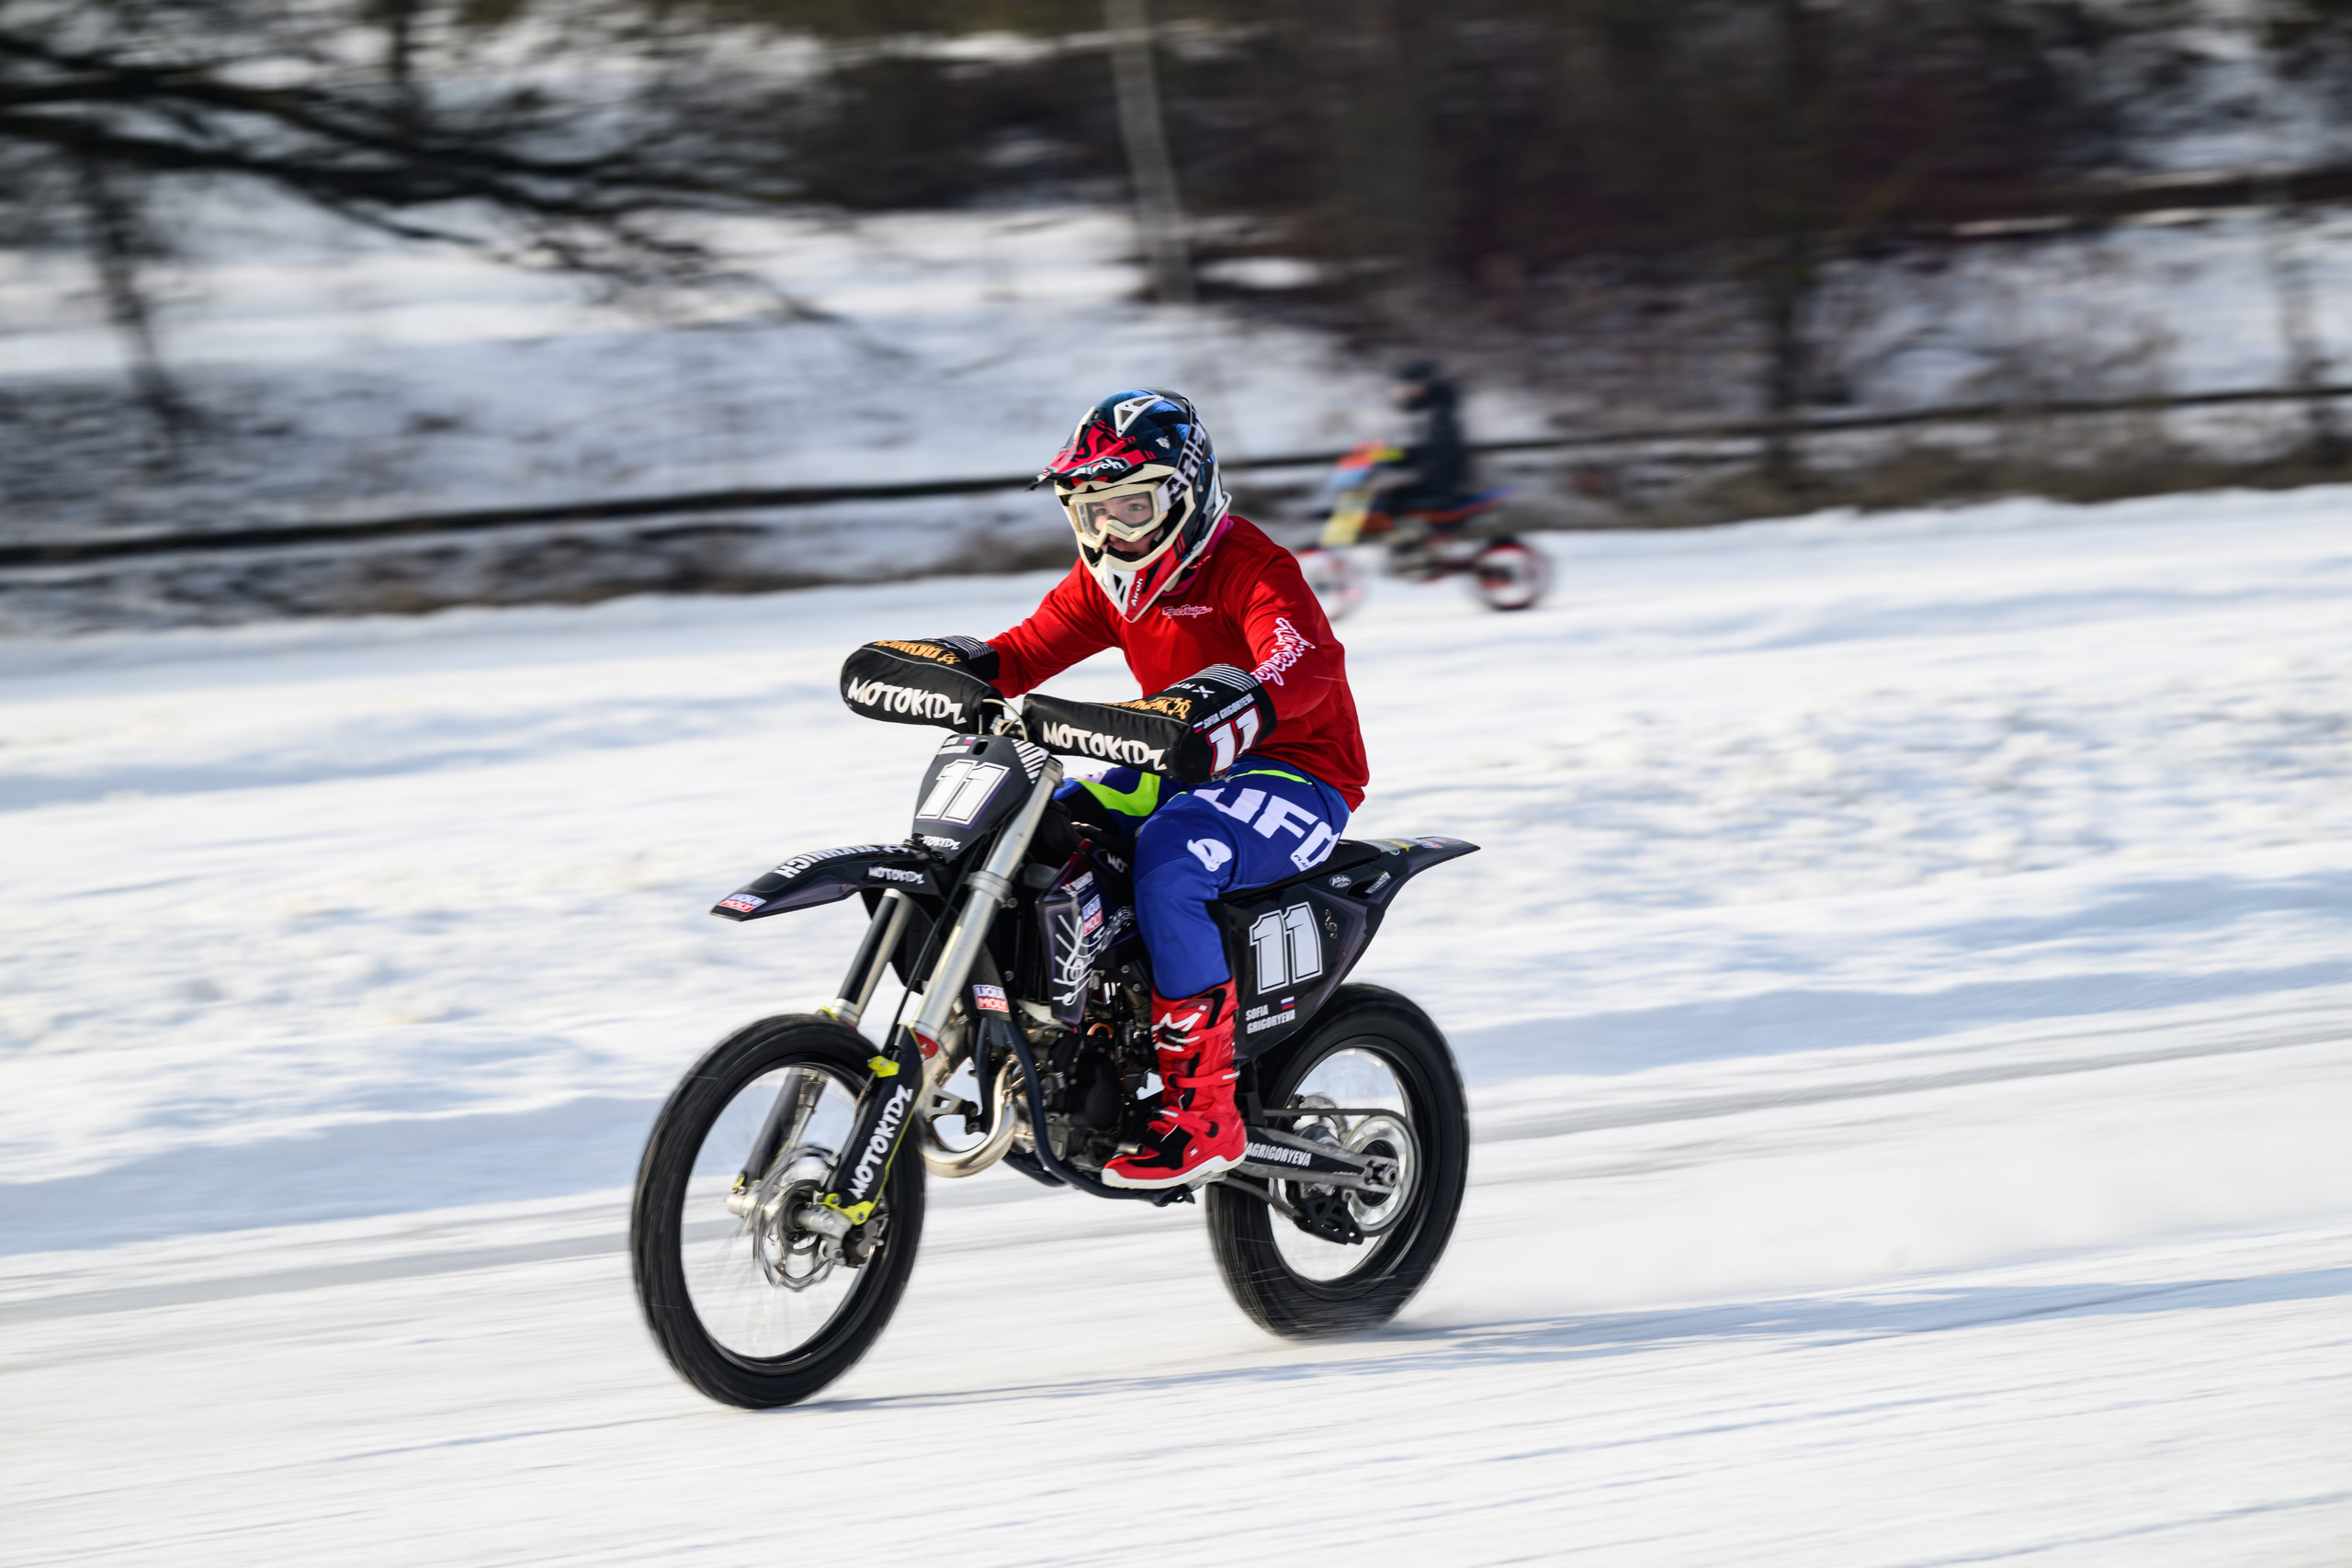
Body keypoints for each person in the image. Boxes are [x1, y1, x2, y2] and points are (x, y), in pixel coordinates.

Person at [839, 389, 1368, 1189]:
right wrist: (956, 665)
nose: (1111, 532)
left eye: (1131, 505)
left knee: (1170, 858)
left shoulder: (1250, 566)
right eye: (1090, 512)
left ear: (1188, 494)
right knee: (1031, 827)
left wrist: (1238, 695)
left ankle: (1204, 1112)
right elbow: (1021, 652)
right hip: (1172, 761)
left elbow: (1307, 661)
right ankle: (1059, 1033)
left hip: (1294, 772)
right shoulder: (1107, 585)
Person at [1380, 359, 1473, 522]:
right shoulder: (1435, 411)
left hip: (1441, 485)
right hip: (1436, 480)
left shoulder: (1440, 415)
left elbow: (1436, 450)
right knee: (1386, 495)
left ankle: (1401, 541)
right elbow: (1427, 450)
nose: (1403, 394)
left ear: (1422, 386)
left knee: (1385, 499)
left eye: (1407, 388)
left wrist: (1390, 456)